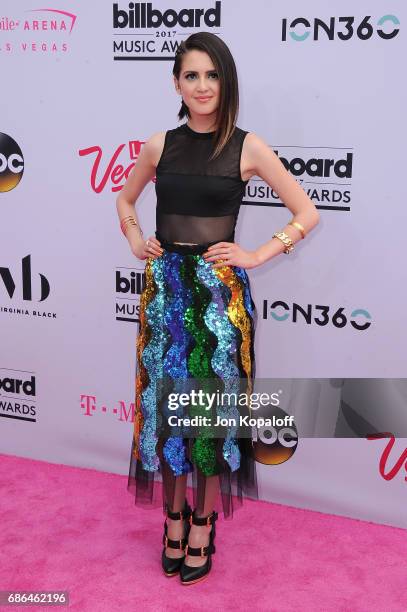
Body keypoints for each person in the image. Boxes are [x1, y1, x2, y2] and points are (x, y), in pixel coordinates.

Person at [116, 31, 320, 585]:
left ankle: (203, 523)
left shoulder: (248, 147)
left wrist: (257, 254)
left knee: (207, 417)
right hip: (165, 298)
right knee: (168, 413)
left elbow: (306, 210)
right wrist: (136, 237)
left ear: (226, 81)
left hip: (218, 299)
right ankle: (173, 519)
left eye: (212, 75)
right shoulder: (160, 144)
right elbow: (125, 198)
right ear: (176, 83)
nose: (202, 86)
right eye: (191, 75)